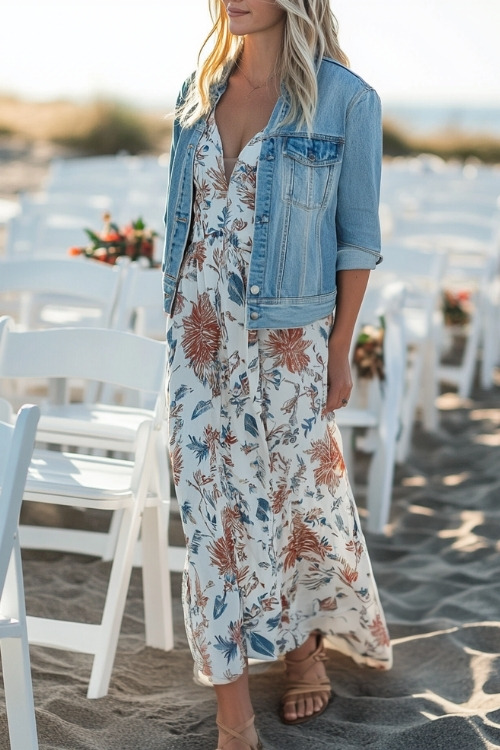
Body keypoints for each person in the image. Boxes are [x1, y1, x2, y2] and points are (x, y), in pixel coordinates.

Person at [162, 2, 393, 748]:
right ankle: (234, 716)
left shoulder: (347, 100)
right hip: (197, 341)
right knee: (210, 514)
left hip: (288, 340)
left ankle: (303, 650)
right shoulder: (196, 91)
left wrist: (338, 348)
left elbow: (357, 237)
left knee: (296, 499)